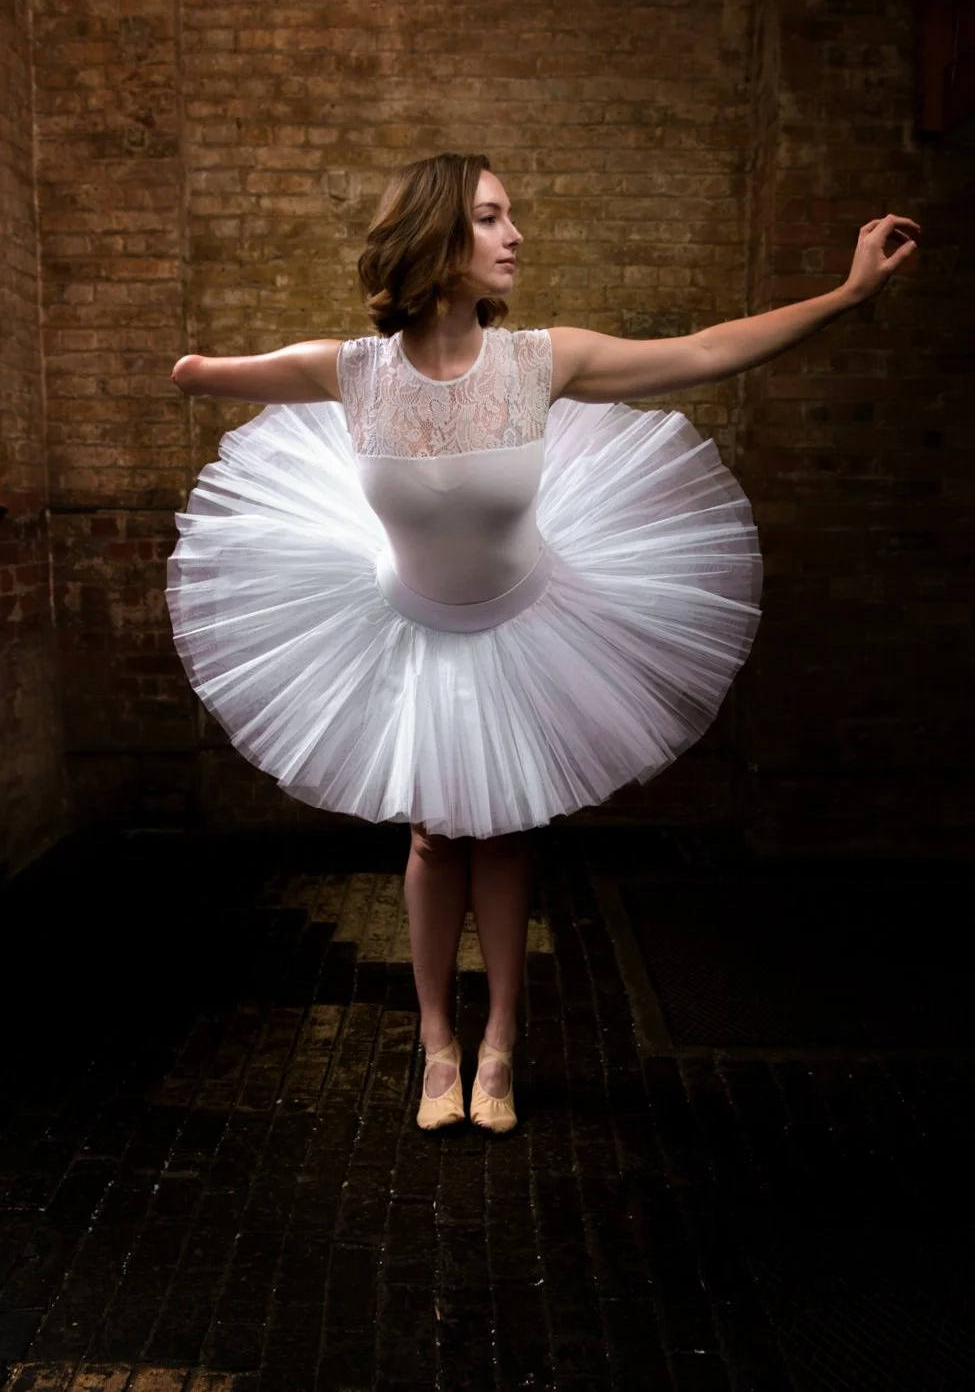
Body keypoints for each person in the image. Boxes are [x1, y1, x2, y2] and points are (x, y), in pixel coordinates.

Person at [167, 153, 919, 1134]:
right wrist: (194, 372)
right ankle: (438, 1040)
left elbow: (703, 350)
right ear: (436, 238)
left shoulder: (541, 361)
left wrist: (848, 295)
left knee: (508, 828)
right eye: (490, 218)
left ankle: (501, 1043)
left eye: (510, 216)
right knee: (436, 833)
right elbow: (208, 374)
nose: (515, 235)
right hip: (412, 624)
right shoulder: (351, 372)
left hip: (525, 618)